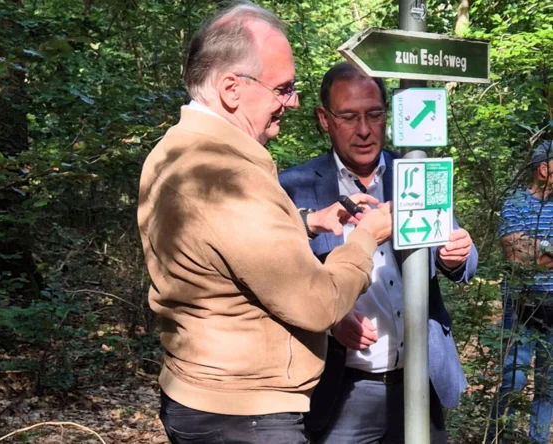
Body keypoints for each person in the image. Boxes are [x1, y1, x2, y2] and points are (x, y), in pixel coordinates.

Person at [137, 5, 392, 444]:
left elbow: (219, 237)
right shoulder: (226, 174)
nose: (290, 102)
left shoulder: (179, 150)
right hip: (245, 415)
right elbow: (317, 304)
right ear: (232, 88)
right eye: (283, 88)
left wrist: (307, 221)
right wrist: (365, 238)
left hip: (210, 399)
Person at [279, 62, 478, 444]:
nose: (365, 130)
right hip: (342, 391)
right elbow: (278, 288)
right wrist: (329, 320)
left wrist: (459, 254)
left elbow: (462, 259)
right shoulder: (295, 188)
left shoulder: (416, 170)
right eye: (349, 117)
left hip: (420, 383)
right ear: (324, 119)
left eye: (374, 114)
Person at [489, 140, 553, 444]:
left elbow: (532, 252)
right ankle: (500, 437)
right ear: (543, 169)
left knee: (548, 385)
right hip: (522, 304)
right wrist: (540, 252)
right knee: (514, 379)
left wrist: (537, 248)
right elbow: (516, 254)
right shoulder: (515, 203)